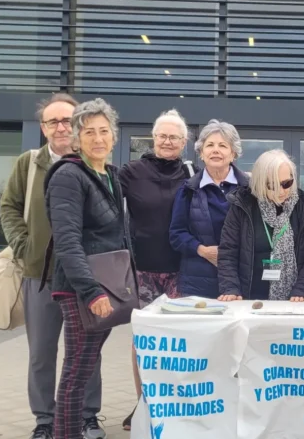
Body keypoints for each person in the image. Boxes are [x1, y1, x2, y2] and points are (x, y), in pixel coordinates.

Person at [0, 93, 105, 439]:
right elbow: (9, 207)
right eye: (53, 121)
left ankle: (87, 416)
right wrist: (24, 246)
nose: (61, 127)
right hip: (40, 276)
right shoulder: (28, 164)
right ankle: (45, 420)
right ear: (43, 128)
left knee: (87, 352)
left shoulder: (90, 162)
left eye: (67, 120)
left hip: (82, 276)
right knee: (42, 352)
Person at [43, 98, 126, 439]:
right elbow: (66, 241)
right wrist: (91, 291)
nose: (97, 139)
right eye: (89, 132)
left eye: (104, 131)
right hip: (82, 290)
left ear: (114, 137)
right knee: (76, 373)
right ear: (76, 138)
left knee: (84, 367)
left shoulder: (108, 174)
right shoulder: (68, 176)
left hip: (105, 285)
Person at [118, 109, 196, 430]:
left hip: (182, 270)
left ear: (184, 142)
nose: (167, 141)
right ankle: (143, 405)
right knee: (143, 341)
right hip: (143, 271)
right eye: (162, 136)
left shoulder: (194, 174)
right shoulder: (131, 172)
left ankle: (176, 404)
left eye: (174, 137)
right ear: (153, 138)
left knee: (180, 340)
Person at [217, 149, 304, 301]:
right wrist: (230, 288)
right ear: (260, 182)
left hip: (293, 300)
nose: (281, 191)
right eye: (273, 185)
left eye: (287, 183)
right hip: (248, 297)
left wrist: (302, 289)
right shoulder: (242, 205)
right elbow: (228, 252)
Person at [169, 119, 249, 298]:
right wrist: (203, 250)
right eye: (210, 145)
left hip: (240, 281)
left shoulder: (250, 189)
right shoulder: (188, 189)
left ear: (233, 153)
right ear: (202, 153)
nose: (216, 150)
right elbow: (176, 234)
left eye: (223, 145)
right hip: (197, 282)